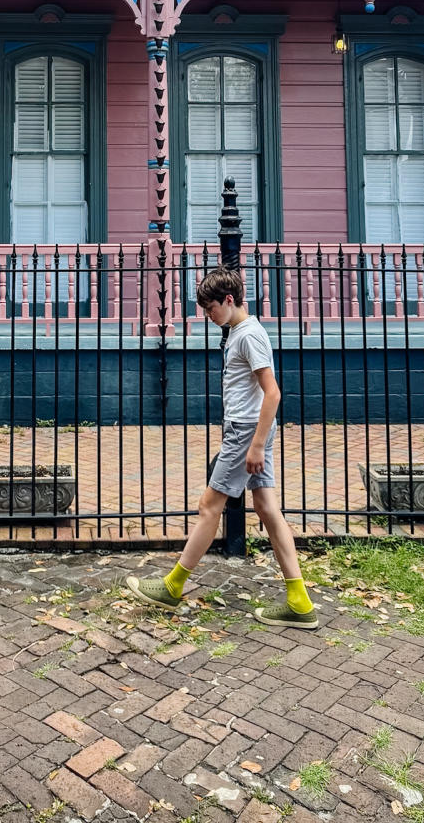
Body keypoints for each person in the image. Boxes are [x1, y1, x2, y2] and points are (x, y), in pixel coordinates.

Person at [126, 266, 318, 629]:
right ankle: (299, 602)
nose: (209, 316)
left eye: (212, 308)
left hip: (247, 431)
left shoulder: (247, 335)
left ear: (229, 300)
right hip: (248, 429)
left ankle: (172, 586)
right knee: (266, 508)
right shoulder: (239, 331)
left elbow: (273, 393)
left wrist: (256, 445)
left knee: (208, 506)